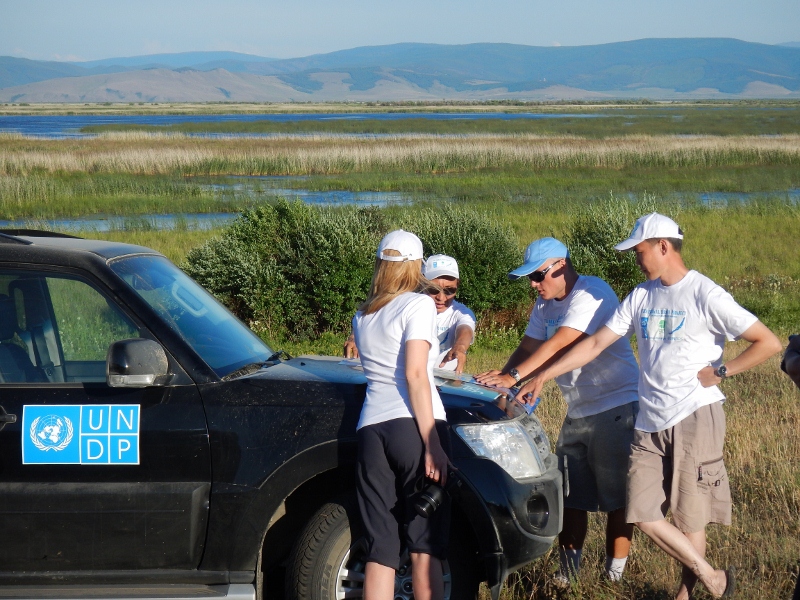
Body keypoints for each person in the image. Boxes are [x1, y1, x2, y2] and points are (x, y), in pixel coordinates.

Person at [518, 213, 782, 599]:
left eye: (639, 251)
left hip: (695, 413)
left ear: (662, 246)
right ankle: (713, 577)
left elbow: (767, 342)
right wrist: (541, 376)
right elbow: (593, 344)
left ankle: (687, 593)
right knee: (640, 512)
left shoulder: (703, 293)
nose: (636, 260)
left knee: (688, 513)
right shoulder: (641, 295)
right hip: (648, 417)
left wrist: (722, 370)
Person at [474, 237, 640, 585]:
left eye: (538, 276)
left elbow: (561, 341)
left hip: (616, 406)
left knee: (617, 500)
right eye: (530, 280)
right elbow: (529, 345)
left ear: (561, 266)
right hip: (577, 410)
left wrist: (518, 375)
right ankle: (568, 575)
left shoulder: (592, 294)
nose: (534, 286)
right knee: (571, 497)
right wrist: (504, 383)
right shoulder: (544, 305)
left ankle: (614, 578)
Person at [351, 229, 451, 600]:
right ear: (415, 266)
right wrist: (432, 443)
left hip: (370, 429)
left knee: (381, 548)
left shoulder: (363, 314)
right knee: (425, 542)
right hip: (410, 425)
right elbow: (414, 374)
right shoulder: (417, 305)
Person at [345, 254, 475, 374]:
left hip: (444, 381)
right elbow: (374, 316)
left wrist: (460, 346)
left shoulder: (461, 313)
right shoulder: (406, 305)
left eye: (449, 290)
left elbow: (465, 328)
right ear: (421, 283)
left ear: (457, 287)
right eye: (433, 289)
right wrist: (355, 336)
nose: (441, 297)